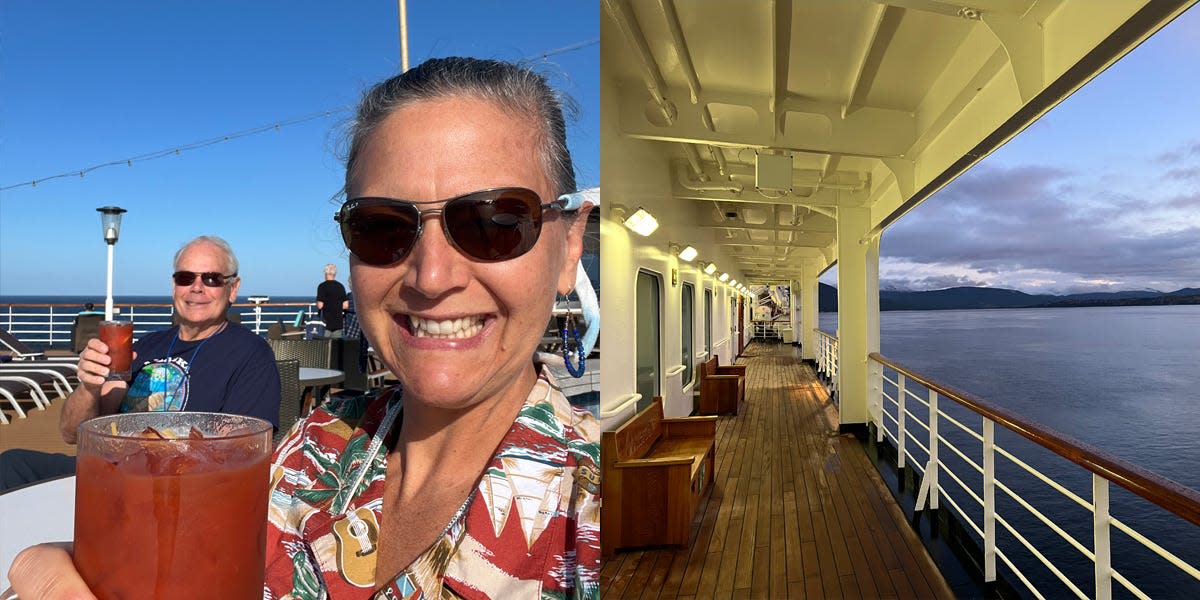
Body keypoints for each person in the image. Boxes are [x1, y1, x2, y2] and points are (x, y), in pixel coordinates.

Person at [7, 57, 598, 599]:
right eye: (383, 226)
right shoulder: (313, 449)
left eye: (493, 222)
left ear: (570, 244)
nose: (432, 276)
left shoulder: (593, 509)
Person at [0, 235, 281, 491]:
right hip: (109, 472)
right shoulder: (144, 347)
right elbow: (72, 433)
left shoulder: (251, 355)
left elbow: (245, 454)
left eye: (211, 279)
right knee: (12, 464)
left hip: (176, 488)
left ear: (233, 289)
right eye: (185, 278)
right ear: (174, 286)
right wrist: (88, 387)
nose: (196, 288)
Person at [316, 262, 349, 338]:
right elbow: (345, 305)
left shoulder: (322, 286)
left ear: (325, 273)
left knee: (324, 346)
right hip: (338, 323)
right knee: (335, 347)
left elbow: (320, 306)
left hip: (325, 323)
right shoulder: (340, 286)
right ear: (335, 274)